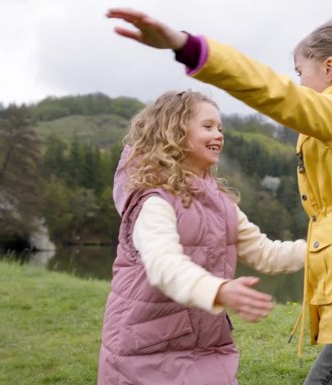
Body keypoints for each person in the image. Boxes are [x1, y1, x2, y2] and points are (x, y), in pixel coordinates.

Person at [107, 8, 332, 384]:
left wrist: (188, 47)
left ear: (329, 69)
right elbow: (264, 251)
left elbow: (271, 92)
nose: (298, 84)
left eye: (300, 73)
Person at [98, 90, 306, 385]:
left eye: (220, 128)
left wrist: (323, 250)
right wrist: (218, 291)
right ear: (174, 131)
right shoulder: (153, 201)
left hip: (204, 345)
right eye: (207, 126)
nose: (218, 135)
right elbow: (164, 266)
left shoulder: (221, 203)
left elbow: (265, 252)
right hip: (145, 351)